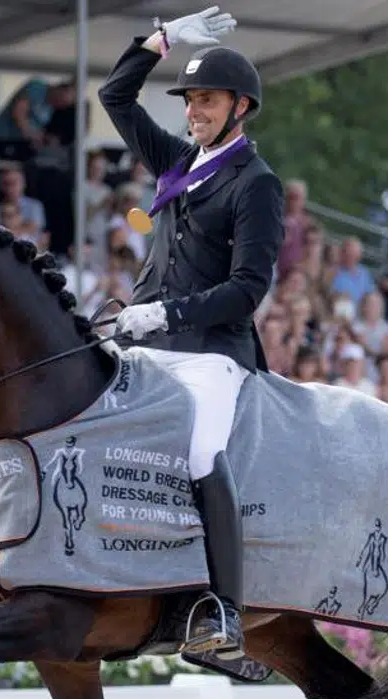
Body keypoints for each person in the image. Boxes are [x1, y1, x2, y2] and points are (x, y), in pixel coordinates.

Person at [99, 5, 279, 660]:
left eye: (206, 99)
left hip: (212, 353)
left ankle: (225, 614)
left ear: (240, 107)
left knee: (201, 449)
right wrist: (161, 41)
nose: (193, 110)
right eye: (191, 99)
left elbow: (248, 288)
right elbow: (113, 96)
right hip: (146, 342)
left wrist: (168, 314)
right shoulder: (177, 162)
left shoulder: (256, 184)